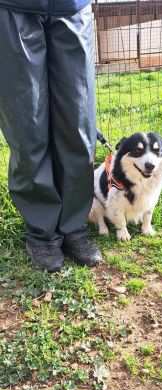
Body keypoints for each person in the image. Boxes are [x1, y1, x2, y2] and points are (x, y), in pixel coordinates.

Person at [0, 0, 102, 272]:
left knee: (78, 126)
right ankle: (42, 230)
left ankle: (73, 226)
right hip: (13, 8)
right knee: (27, 128)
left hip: (72, 7)